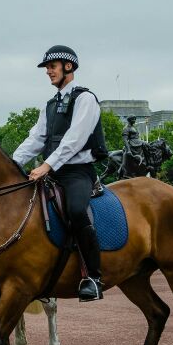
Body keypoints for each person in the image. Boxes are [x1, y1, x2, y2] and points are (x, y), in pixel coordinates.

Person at [12, 45, 108, 302]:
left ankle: (94, 278)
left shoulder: (86, 98)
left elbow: (75, 139)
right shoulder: (50, 105)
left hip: (78, 172)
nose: (48, 72)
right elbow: (36, 139)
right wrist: (10, 164)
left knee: (76, 211)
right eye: (46, 68)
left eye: (52, 66)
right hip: (52, 172)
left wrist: (46, 166)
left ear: (68, 66)